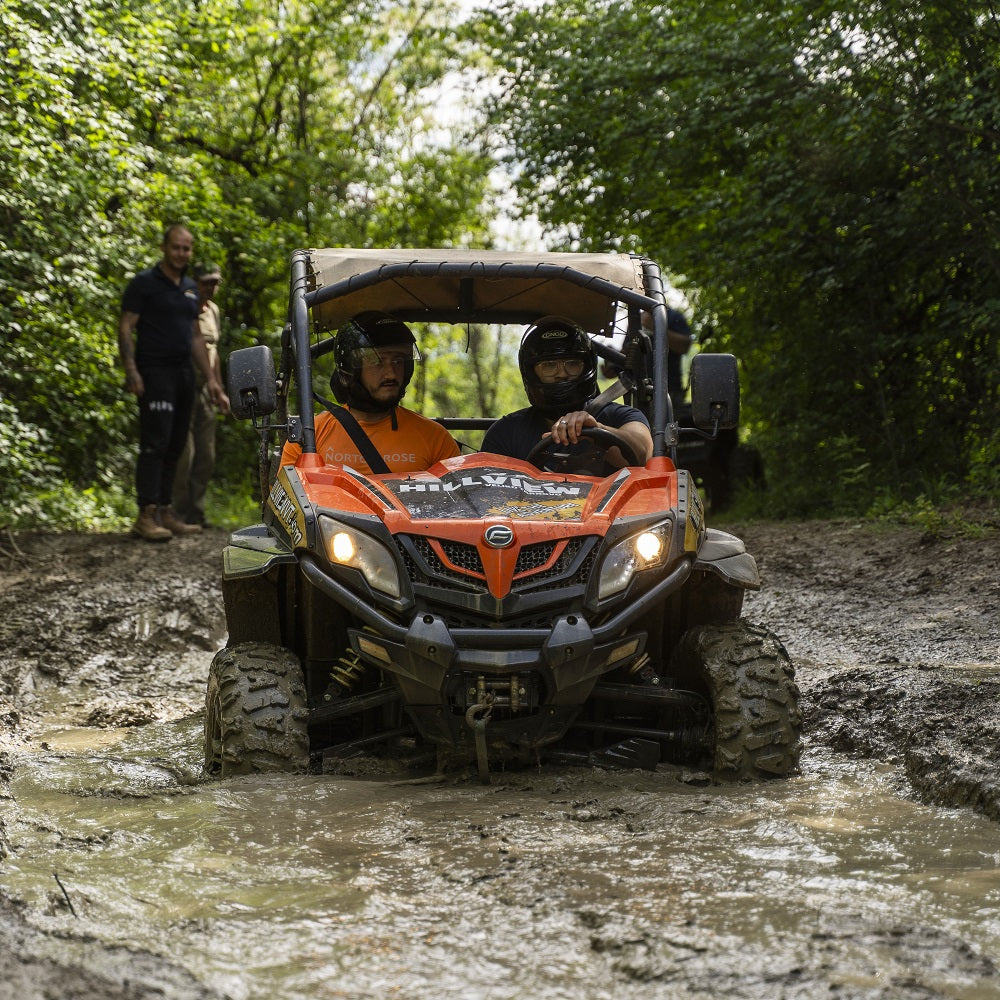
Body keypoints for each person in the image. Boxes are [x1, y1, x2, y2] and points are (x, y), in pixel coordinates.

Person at [118, 224, 229, 542]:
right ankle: (146, 513)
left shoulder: (191, 289)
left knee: (178, 444)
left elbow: (196, 336)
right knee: (156, 443)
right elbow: (126, 328)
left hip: (184, 376)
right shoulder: (144, 284)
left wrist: (212, 382)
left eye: (187, 248)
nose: (182, 253)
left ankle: (166, 510)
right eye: (177, 247)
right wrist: (132, 371)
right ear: (165, 248)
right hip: (155, 373)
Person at [280, 311, 459, 473]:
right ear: (350, 369)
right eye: (377, 362)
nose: (391, 373)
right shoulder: (308, 437)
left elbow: (457, 504)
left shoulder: (436, 439)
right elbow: (288, 504)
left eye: (398, 361)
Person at [481, 316, 653, 472]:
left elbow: (643, 452)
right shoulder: (506, 433)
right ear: (531, 372)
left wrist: (598, 431)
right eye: (549, 366)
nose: (562, 374)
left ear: (587, 367)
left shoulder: (621, 416)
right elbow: (486, 495)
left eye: (572, 364)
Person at [172, 262, 230, 527]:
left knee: (206, 453)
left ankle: (197, 511)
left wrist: (218, 386)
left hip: (206, 390)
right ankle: (177, 512)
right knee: (185, 453)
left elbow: (213, 351)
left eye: (215, 282)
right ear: (194, 281)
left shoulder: (213, 312)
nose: (212, 287)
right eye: (207, 281)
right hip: (180, 386)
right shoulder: (180, 306)